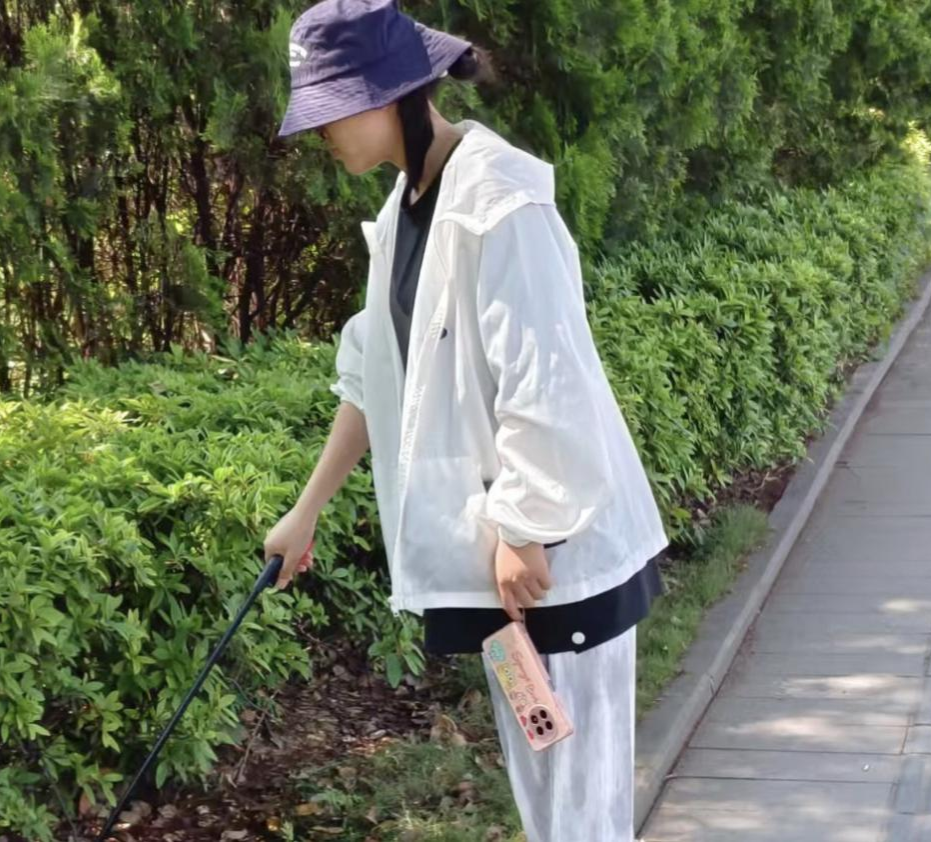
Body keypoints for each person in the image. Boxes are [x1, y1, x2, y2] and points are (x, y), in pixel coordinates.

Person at [262, 2, 670, 840]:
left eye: (331, 108)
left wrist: (525, 527)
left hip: (556, 560)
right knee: (547, 804)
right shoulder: (406, 212)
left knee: (582, 815)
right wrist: (306, 511)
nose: (320, 133)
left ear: (389, 94)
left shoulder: (498, 197)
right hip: (508, 566)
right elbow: (375, 377)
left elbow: (544, 375)